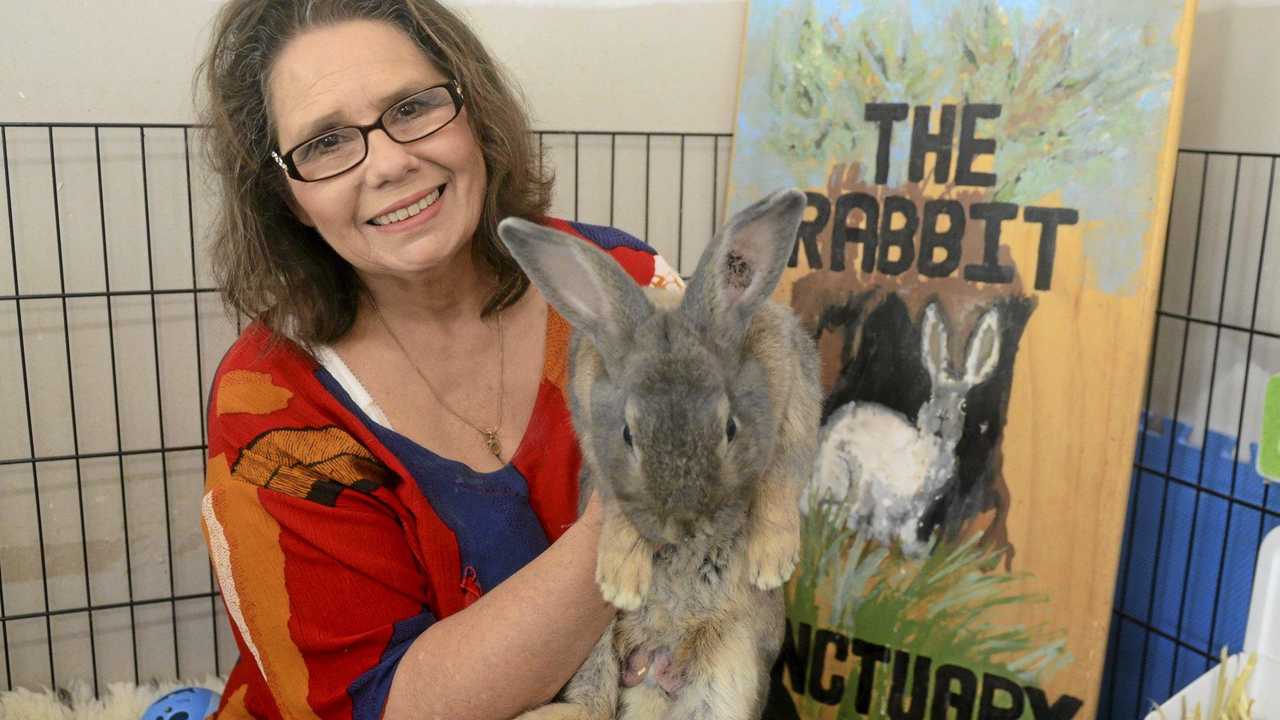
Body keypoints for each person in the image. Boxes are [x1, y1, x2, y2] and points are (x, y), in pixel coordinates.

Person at [195, 2, 685, 718]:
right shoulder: (271, 406)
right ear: (289, 199)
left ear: (472, 113)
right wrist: (635, 508)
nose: (391, 163)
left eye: (414, 107)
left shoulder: (622, 282)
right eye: (326, 143)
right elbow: (384, 707)